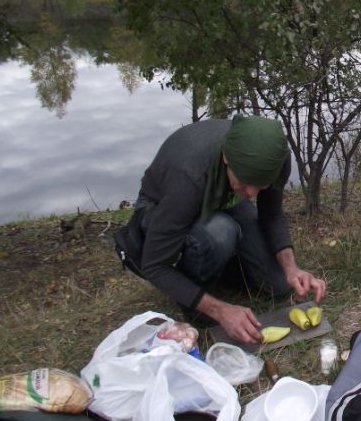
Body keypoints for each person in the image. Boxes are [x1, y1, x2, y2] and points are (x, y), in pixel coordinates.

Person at [114, 115, 325, 344]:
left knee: (280, 285)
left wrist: (291, 268)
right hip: (161, 205)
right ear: (226, 159)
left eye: (261, 186)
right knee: (220, 233)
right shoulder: (189, 176)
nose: (252, 194)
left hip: (222, 199)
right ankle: (194, 296)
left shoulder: (274, 160)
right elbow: (155, 265)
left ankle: (223, 267)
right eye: (245, 182)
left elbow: (271, 215)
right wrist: (220, 310)